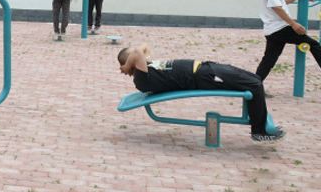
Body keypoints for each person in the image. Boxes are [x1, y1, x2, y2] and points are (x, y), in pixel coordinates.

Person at [118, 43, 286, 144]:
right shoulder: (141, 78)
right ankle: (259, 132)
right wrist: (126, 67)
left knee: (254, 79)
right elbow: (138, 52)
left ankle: (260, 123)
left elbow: (143, 47)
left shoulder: (146, 68)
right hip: (205, 76)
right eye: (132, 56)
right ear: (132, 63)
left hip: (205, 69)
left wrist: (130, 60)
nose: (136, 53)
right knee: (255, 85)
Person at [255, 0, 321, 80]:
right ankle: (253, 87)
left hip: (272, 30)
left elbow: (281, 1)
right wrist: (294, 24)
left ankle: (253, 87)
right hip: (280, 28)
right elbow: (277, 8)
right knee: (314, 44)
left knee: (268, 62)